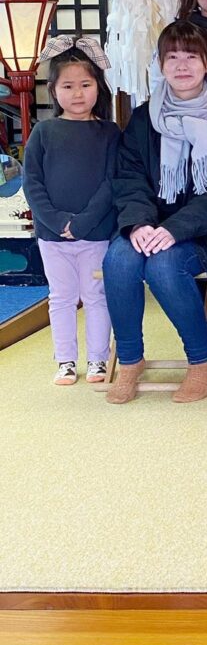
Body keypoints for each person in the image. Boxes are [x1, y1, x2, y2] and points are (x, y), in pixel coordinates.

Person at [103, 21, 207, 405]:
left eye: (191, 57)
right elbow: (129, 177)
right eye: (172, 57)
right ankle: (131, 361)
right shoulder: (142, 118)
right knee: (118, 258)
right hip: (151, 223)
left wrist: (173, 229)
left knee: (164, 266)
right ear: (160, 64)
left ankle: (200, 360)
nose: (182, 65)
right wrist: (139, 225)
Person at [23, 37, 119, 386]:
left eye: (85, 84)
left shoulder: (109, 132)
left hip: (96, 233)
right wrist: (58, 222)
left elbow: (112, 183)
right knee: (61, 297)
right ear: (53, 89)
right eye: (68, 86)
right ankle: (65, 360)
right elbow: (32, 183)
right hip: (52, 236)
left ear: (98, 87)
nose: (77, 94)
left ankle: (97, 359)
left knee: (96, 295)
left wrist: (82, 223)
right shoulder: (43, 132)